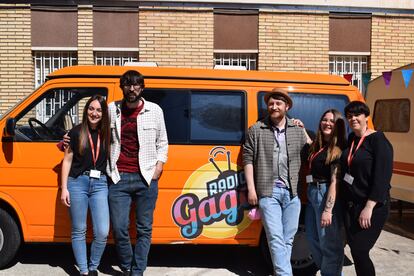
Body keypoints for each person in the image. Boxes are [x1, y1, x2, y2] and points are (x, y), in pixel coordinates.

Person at [243, 88, 310, 276]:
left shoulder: (297, 130)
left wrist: (304, 131)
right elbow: (247, 159)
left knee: (288, 240)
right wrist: (251, 190)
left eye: (278, 103)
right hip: (268, 192)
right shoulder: (256, 129)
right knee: (274, 237)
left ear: (286, 106)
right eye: (271, 104)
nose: (274, 107)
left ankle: (279, 272)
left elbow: (312, 153)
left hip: (293, 193)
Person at [107, 70, 168, 276]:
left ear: (142, 87)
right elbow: (94, 129)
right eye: (127, 84)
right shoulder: (111, 109)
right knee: (119, 228)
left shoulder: (155, 110)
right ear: (121, 86)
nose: (131, 88)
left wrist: (159, 166)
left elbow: (163, 142)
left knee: (144, 229)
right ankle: (126, 266)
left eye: (135, 85)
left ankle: (137, 270)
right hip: (118, 176)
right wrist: (68, 138)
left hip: (146, 177)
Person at [340, 101, 393, 276]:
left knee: (361, 251)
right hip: (351, 205)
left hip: (372, 206)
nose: (353, 118)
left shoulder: (379, 141)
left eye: (357, 115)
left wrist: (369, 207)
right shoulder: (352, 139)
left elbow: (382, 178)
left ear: (366, 117)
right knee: (355, 251)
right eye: (349, 116)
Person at [61, 95, 110, 276]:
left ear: (103, 113)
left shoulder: (108, 134)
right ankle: (83, 271)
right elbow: (66, 160)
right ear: (86, 110)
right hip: (77, 184)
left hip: (100, 184)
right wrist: (64, 188)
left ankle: (93, 266)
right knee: (78, 230)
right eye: (91, 108)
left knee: (102, 231)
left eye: (98, 110)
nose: (94, 113)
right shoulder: (75, 132)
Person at [304, 109, 346, 276]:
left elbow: (335, 181)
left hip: (326, 193)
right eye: (325, 119)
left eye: (332, 121)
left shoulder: (338, 150)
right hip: (312, 193)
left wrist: (328, 210)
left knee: (329, 244)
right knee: (313, 239)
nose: (327, 123)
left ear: (338, 125)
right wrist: (301, 127)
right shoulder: (318, 145)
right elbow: (310, 148)